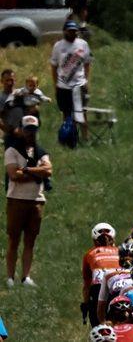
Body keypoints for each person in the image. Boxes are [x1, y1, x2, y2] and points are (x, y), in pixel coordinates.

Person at [5, 115, 52, 287]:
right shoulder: (11, 150)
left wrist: (26, 170)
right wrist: (36, 173)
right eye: (28, 130)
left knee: (30, 241)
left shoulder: (41, 152)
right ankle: (10, 277)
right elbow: (13, 174)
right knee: (14, 240)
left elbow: (48, 170)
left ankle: (26, 276)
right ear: (22, 130)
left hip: (36, 201)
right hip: (16, 200)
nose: (30, 134)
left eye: (33, 130)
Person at [50, 20, 93, 140]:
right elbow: (54, 66)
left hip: (79, 85)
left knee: (82, 112)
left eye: (74, 31)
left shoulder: (83, 44)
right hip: (63, 86)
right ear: (65, 31)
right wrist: (55, 84)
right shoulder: (58, 46)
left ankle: (85, 138)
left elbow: (87, 63)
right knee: (66, 114)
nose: (72, 33)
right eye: (70, 31)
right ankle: (69, 137)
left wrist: (86, 80)